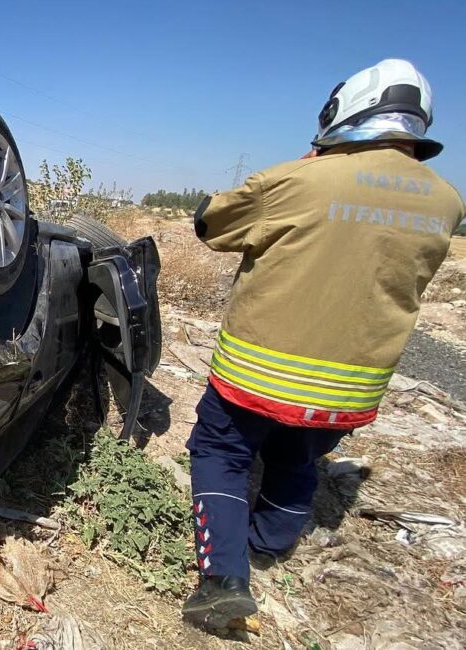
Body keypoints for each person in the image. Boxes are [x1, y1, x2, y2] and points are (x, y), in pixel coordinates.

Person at [182, 59, 464, 630]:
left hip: (256, 375)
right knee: (301, 452)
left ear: (346, 110)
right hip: (350, 387)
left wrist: (307, 168)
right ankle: (274, 537)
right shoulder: (447, 201)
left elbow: (210, 224)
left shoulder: (298, 179)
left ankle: (222, 584)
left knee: (222, 453)